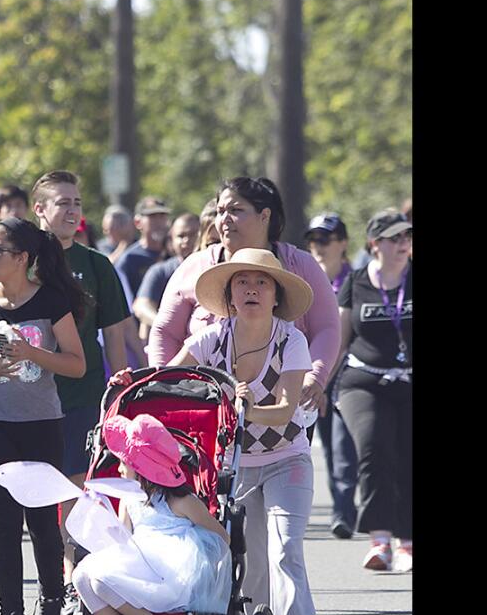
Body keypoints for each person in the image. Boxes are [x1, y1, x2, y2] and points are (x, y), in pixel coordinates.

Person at [132, 245, 324, 615]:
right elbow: (167, 385)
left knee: (284, 551)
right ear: (230, 295)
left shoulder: (290, 339)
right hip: (232, 469)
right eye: (242, 282)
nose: (252, 289)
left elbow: (284, 412)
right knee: (248, 561)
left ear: (276, 295)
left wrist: (243, 409)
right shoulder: (210, 339)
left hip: (287, 461)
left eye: (262, 282)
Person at [0, 218, 86, 615]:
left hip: (43, 423)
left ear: (23, 258)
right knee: (4, 523)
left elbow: (77, 364)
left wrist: (33, 352)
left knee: (43, 521)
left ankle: (50, 602)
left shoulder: (51, 303)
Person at [147, 177, 339, 448]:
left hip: (282, 419)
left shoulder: (301, 265)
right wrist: (164, 388)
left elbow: (327, 327)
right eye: (220, 211)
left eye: (235, 210)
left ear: (265, 216)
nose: (224, 219)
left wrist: (315, 377)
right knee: (212, 489)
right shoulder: (196, 266)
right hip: (207, 417)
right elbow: (165, 331)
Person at [32, 170, 131, 615]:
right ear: (40, 211)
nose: (72, 210)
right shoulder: (22, 260)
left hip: (81, 394)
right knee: (34, 498)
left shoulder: (97, 266)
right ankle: (48, 587)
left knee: (73, 491)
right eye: (62, 203)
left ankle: (74, 582)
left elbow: (114, 337)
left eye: (76, 202)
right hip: (26, 399)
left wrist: (119, 394)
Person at [74, 414, 231, 615]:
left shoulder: (181, 501)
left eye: (124, 462)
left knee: (102, 580)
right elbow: (122, 538)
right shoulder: (129, 499)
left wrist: (204, 561)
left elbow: (221, 536)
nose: (119, 468)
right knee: (81, 576)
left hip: (171, 571)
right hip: (140, 559)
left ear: (143, 468)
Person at [335, 210, 412, 572]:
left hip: (408, 378)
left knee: (407, 453)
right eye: (394, 238)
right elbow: (338, 341)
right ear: (374, 244)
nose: (403, 244)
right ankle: (380, 540)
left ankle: (407, 540)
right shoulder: (356, 282)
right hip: (362, 379)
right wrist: (318, 385)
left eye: (406, 237)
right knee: (373, 445)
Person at [304, 213, 360, 539]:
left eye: (325, 240)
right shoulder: (305, 282)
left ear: (343, 243)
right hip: (311, 379)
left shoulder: (357, 281)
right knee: (319, 444)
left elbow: (342, 337)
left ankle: (343, 511)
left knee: (343, 448)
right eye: (313, 241)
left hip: (344, 378)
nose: (318, 247)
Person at [134, 212, 200, 339]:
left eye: (192, 235)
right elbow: (141, 306)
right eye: (181, 236)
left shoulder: (212, 266)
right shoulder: (160, 271)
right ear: (171, 240)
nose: (186, 240)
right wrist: (166, 326)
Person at [115, 197, 172, 299]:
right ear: (138, 222)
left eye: (162, 216)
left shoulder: (174, 255)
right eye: (152, 216)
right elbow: (125, 301)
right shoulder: (129, 260)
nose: (159, 222)